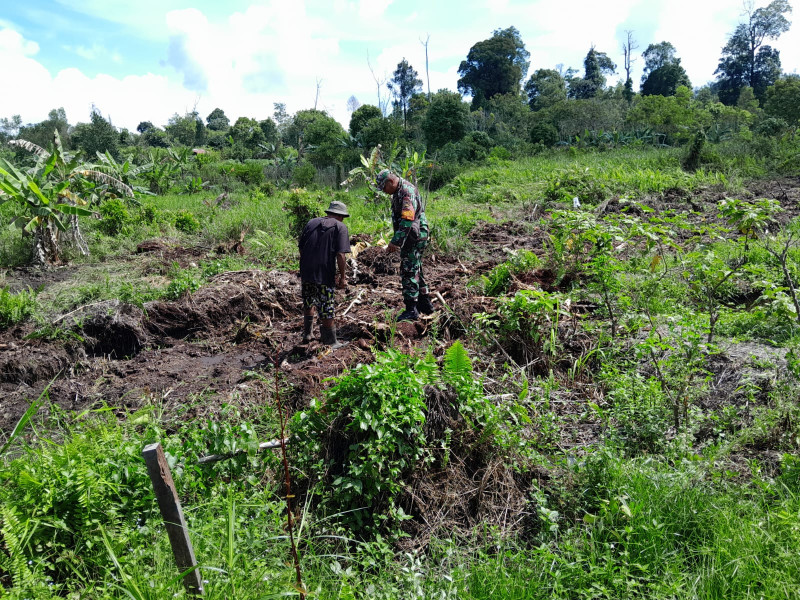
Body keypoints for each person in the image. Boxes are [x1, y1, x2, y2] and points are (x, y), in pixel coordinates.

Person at [375, 169, 435, 321]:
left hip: (414, 236)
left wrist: (396, 241)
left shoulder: (406, 191)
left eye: (383, 187)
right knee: (415, 267)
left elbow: (408, 219)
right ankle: (425, 304)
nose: (383, 191)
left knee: (408, 269)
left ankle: (411, 309)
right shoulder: (398, 191)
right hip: (412, 235)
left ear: (390, 182)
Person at [298, 200, 351, 346]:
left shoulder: (311, 223)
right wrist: (342, 277)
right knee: (326, 305)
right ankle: (331, 342)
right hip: (324, 272)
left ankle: (307, 334)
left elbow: (301, 248)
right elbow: (341, 255)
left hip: (306, 270)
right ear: (340, 216)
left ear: (329, 213)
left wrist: (306, 264)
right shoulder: (340, 227)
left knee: (309, 300)